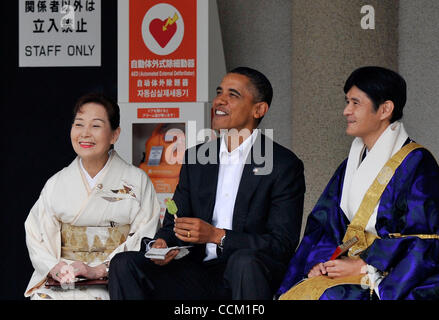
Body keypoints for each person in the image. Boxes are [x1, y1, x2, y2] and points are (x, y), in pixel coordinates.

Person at [108, 67, 306, 300]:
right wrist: (163, 243)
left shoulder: (283, 164)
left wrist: (217, 236)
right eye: (219, 92)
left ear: (258, 109)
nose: (220, 100)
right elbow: (176, 224)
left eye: (233, 95)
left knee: (244, 262)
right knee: (124, 263)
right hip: (197, 271)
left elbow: (281, 244)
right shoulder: (196, 158)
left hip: (247, 272)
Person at [277, 66, 439, 300]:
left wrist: (366, 265)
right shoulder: (351, 164)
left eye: (355, 103)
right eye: (347, 102)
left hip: (389, 274)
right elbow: (325, 224)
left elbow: (426, 238)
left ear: (385, 109)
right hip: (346, 266)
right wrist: (323, 263)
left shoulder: (418, 163)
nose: (346, 111)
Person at [24, 93, 161, 300]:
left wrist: (100, 269)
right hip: (64, 279)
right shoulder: (56, 183)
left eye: (96, 126)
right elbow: (36, 234)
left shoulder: (137, 181)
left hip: (112, 279)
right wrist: (55, 267)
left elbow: (145, 235)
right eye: (79, 124)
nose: (85, 133)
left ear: (115, 135)